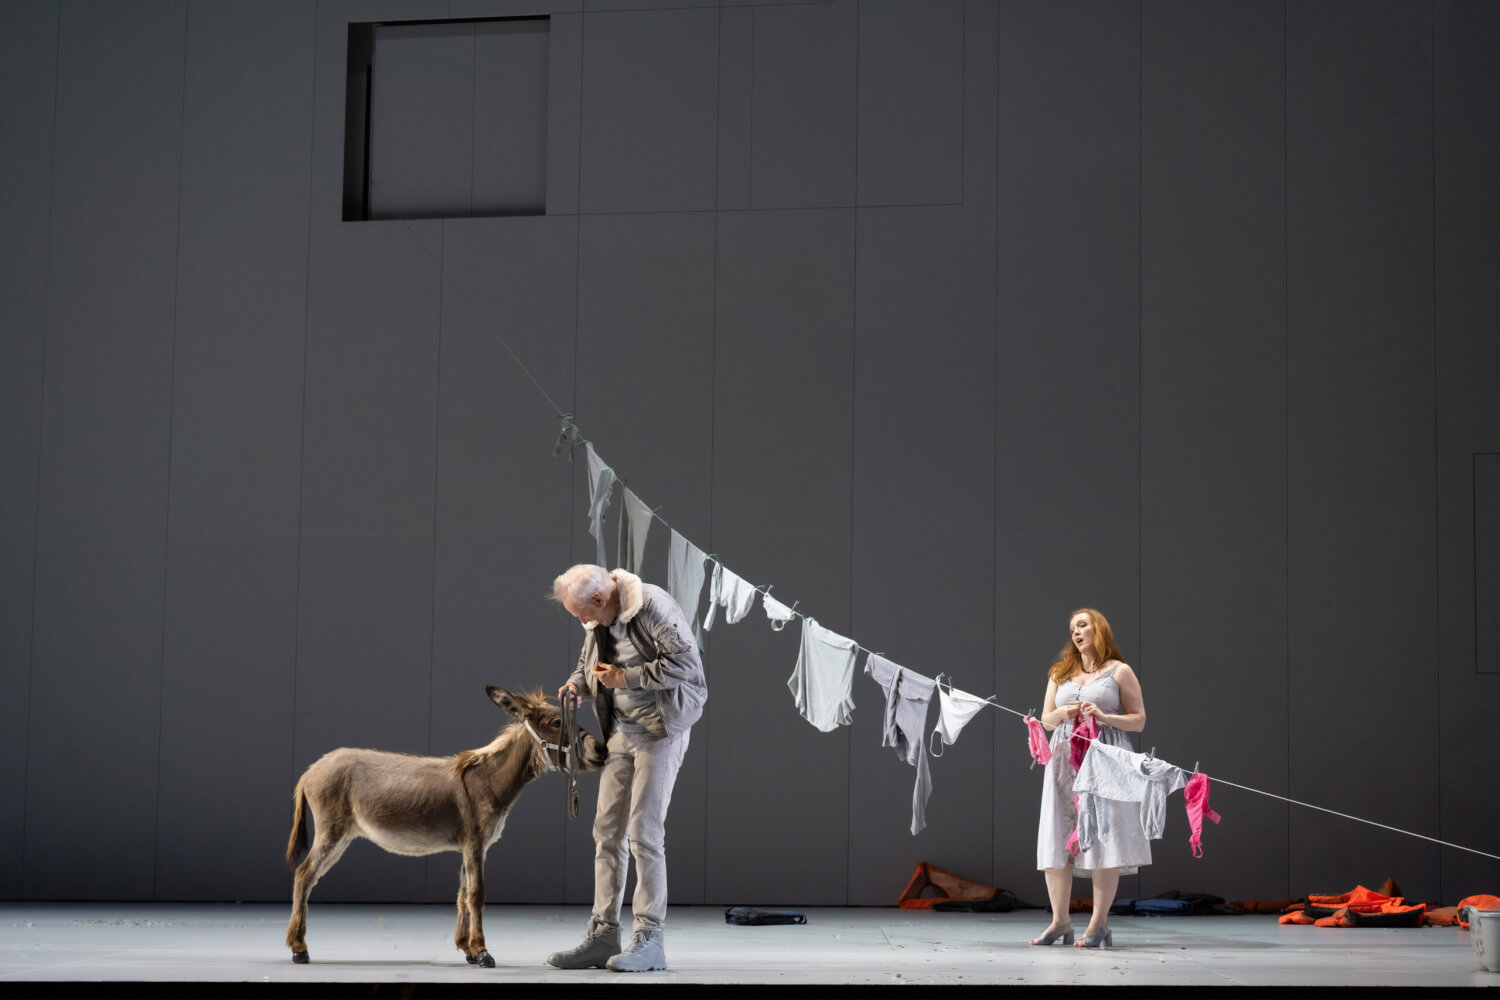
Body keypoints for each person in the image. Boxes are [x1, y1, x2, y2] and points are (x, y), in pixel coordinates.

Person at [545, 564, 707, 973]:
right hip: (621, 731)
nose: (583, 622)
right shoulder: (599, 618)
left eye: (583, 614)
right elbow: (589, 666)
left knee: (645, 834)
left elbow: (686, 667)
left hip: (661, 730)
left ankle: (650, 939)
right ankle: (603, 935)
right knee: (607, 833)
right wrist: (576, 685)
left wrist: (626, 677)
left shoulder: (653, 607)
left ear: (600, 599)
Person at [1031, 608, 1147, 949]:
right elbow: (1046, 721)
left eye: (1082, 624)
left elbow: (1139, 721)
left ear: (1099, 628)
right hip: (1064, 759)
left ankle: (1098, 925)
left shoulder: (1119, 672)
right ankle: (1060, 921)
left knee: (1103, 835)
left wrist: (1105, 716)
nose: (1076, 631)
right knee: (1057, 832)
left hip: (1103, 759)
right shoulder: (1060, 672)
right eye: (1072, 628)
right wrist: (1061, 713)